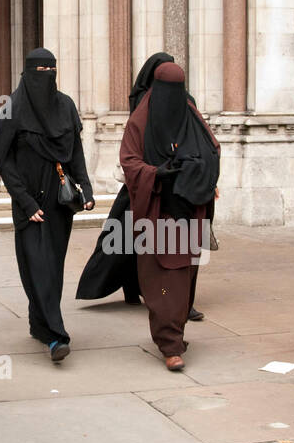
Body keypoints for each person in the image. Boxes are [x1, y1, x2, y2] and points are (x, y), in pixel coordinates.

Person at [76, 51, 204, 322]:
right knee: (124, 240)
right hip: (143, 184)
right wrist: (148, 173)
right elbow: (133, 146)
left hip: (177, 185)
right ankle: (133, 287)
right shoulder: (144, 102)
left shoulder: (183, 100)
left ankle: (178, 302)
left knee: (175, 246)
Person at [0, 49, 93, 361]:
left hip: (59, 200)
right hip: (28, 202)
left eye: (51, 68)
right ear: (26, 72)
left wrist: (85, 188)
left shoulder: (65, 105)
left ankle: (39, 323)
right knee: (36, 266)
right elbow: (4, 161)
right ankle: (56, 336)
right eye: (39, 69)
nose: (45, 74)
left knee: (52, 267)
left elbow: (75, 152)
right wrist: (24, 200)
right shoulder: (10, 107)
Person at [118, 61, 219, 370]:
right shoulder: (140, 120)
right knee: (162, 280)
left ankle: (175, 332)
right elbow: (129, 160)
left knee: (184, 276)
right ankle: (169, 344)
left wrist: (197, 170)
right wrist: (157, 172)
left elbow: (212, 149)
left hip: (188, 208)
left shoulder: (190, 114)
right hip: (157, 211)